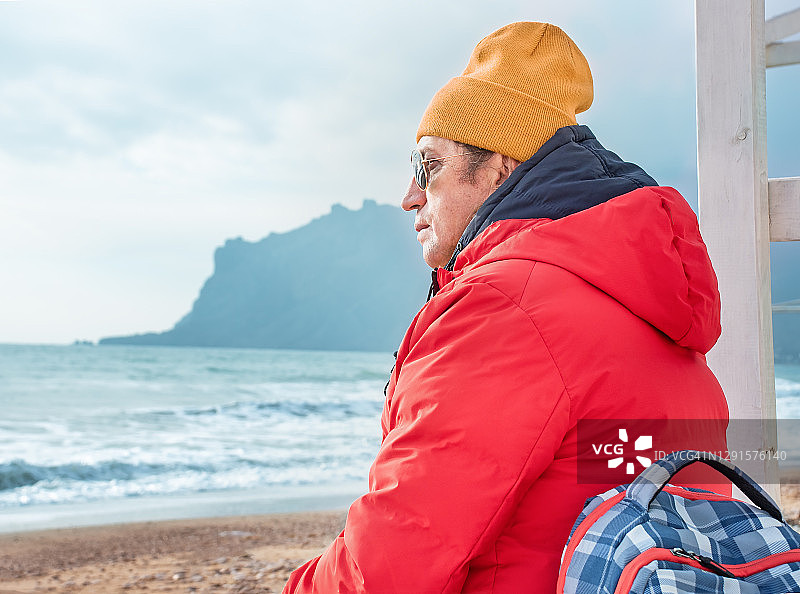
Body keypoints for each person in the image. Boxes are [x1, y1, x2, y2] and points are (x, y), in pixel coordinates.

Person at [283, 22, 729, 593]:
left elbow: (393, 562)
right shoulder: (642, 304)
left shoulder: (507, 310)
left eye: (429, 167)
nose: (409, 196)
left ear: (498, 166)